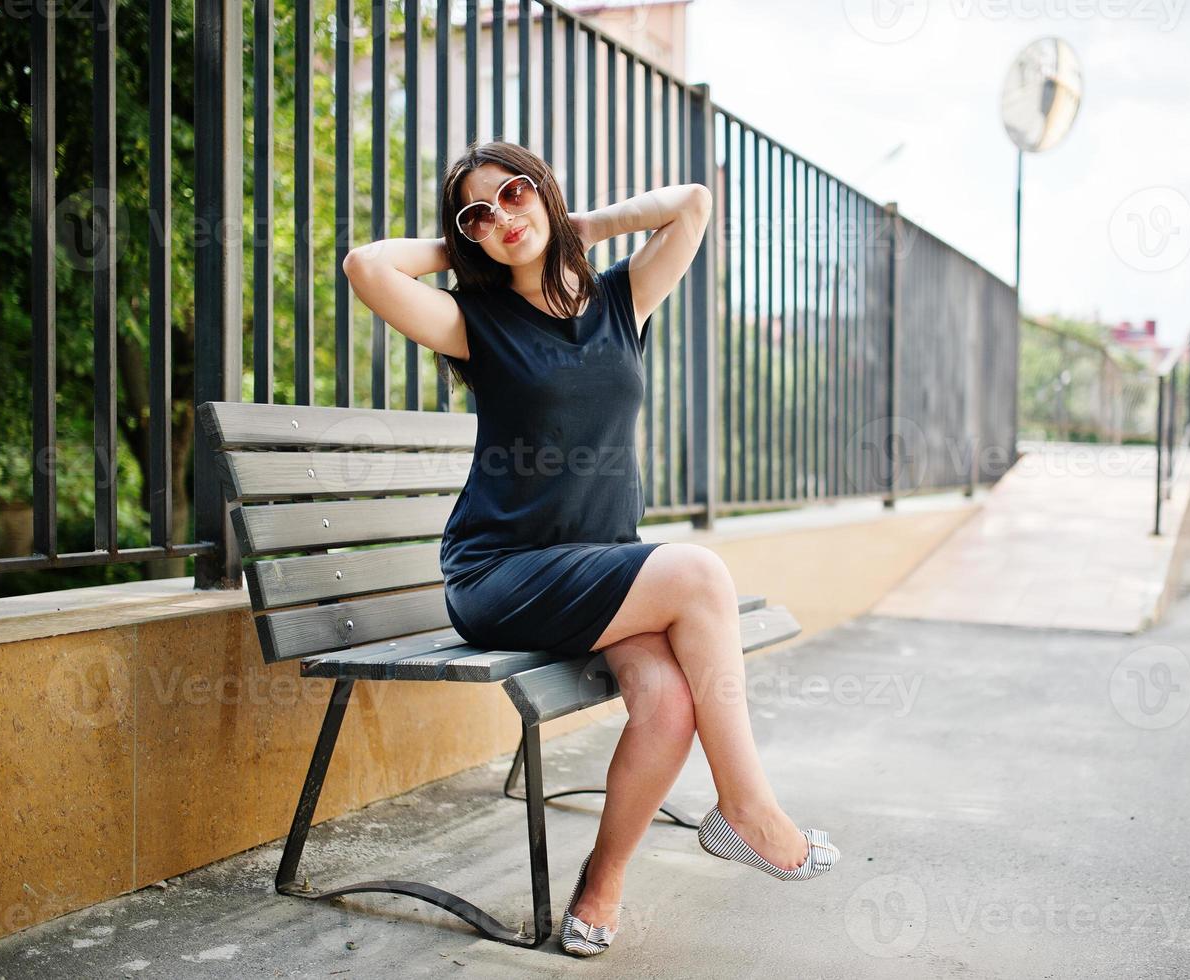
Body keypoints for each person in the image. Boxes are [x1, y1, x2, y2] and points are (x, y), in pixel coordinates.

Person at [341, 139, 839, 957]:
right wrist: (465, 244)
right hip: (502, 574)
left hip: (599, 569)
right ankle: (746, 809)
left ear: (545, 190)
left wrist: (569, 224)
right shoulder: (476, 322)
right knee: (698, 570)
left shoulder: (620, 300)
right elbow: (366, 265)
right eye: (477, 211)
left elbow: (691, 204)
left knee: (671, 704)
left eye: (513, 194)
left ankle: (598, 890)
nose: (499, 215)